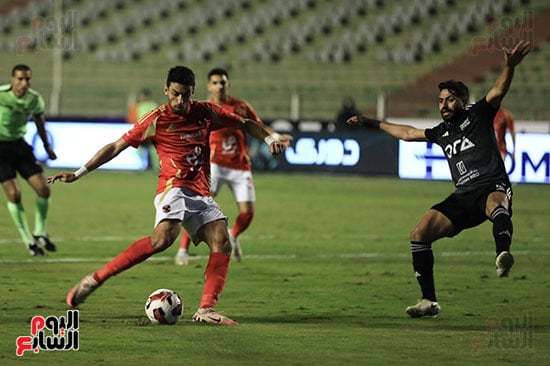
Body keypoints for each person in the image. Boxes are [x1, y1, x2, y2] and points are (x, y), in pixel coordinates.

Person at [48, 66, 286, 325]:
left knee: (222, 241)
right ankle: (94, 279)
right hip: (173, 188)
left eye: (185, 95)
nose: (180, 101)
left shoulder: (205, 112)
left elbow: (247, 124)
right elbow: (116, 146)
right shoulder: (156, 118)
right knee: (163, 240)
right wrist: (79, 173)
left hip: (201, 191)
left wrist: (269, 138)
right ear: (166, 90)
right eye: (175, 94)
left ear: (193, 92)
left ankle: (206, 310)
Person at [347, 40, 531, 318]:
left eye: (449, 99)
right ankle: (428, 301)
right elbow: (407, 133)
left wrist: (509, 66)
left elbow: (498, 90)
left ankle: (502, 255)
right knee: (419, 234)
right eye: (440, 101)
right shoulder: (441, 132)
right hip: (462, 195)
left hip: (491, 185)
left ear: (462, 101)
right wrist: (369, 121)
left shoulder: (479, 114)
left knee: (497, 204)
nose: (443, 105)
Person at [174, 68, 292, 265]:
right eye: (215, 83)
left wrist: (276, 138)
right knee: (197, 207)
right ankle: (183, 250)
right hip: (215, 165)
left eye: (222, 82)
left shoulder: (241, 106)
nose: (219, 86)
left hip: (240, 165)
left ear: (228, 84)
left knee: (247, 214)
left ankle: (233, 235)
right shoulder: (204, 108)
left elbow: (257, 125)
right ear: (209, 86)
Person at [0, 64, 57, 256]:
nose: (24, 83)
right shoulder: (1, 94)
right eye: (20, 79)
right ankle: (28, 240)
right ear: (12, 79)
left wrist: (47, 147)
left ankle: (40, 232)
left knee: (43, 189)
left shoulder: (34, 99)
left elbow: (40, 124)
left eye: (27, 79)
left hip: (20, 146)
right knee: (14, 194)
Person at [126, 88, 159, 170]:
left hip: (149, 132)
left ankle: (154, 167)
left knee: (151, 150)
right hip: (143, 132)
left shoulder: (150, 105)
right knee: (142, 150)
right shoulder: (139, 106)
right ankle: (147, 167)